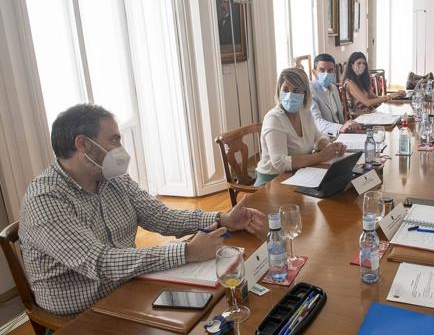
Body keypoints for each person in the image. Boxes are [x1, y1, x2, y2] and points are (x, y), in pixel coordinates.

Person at [18, 104, 266, 318]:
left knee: (222, 309)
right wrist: (187, 251)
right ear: (83, 145)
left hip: (130, 288)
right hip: (82, 316)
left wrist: (223, 218)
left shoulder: (112, 177)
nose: (120, 148)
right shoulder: (45, 198)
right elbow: (100, 263)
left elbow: (161, 217)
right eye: (114, 139)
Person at [255, 68, 346, 186]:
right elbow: (280, 162)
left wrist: (330, 147)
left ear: (305, 93)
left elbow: (317, 138)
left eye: (296, 90)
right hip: (272, 182)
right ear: (279, 91)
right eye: (285, 90)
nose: (290, 95)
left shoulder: (304, 112)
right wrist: (320, 156)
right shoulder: (274, 118)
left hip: (299, 175)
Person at [309, 53, 360, 136]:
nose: (326, 74)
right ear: (314, 72)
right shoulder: (310, 91)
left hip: (339, 135)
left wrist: (347, 127)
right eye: (322, 70)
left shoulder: (333, 87)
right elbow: (316, 122)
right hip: (323, 138)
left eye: (330, 71)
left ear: (334, 72)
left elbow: (339, 118)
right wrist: (340, 128)